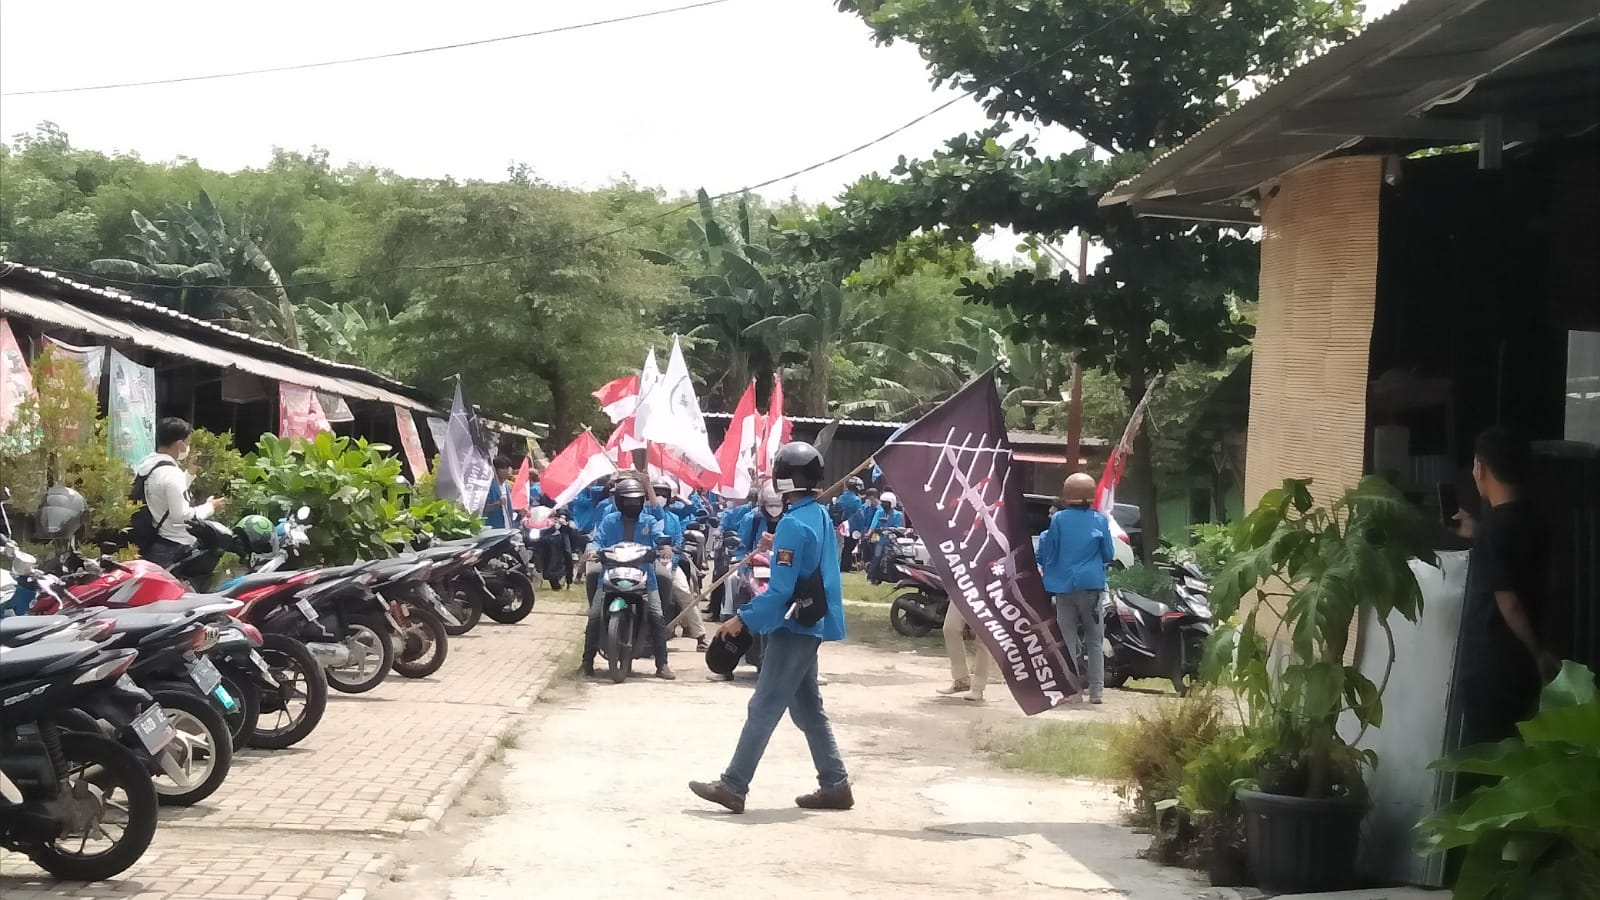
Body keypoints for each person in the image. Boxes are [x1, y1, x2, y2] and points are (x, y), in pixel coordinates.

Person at [690, 442, 850, 814]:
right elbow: (805, 564)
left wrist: (741, 618)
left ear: (783, 478)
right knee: (808, 709)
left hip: (792, 625)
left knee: (763, 706)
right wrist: (777, 544)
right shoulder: (818, 517)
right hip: (811, 622)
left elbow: (779, 591)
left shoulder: (794, 523)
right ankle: (835, 784)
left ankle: (733, 785)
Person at [1452, 427, 1558, 748]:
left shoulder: (1492, 533)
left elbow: (1508, 602)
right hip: (1521, 670)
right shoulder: (1535, 522)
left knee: (1488, 759)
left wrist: (1539, 652)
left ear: (1481, 469)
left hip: (1490, 667)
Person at [581, 477, 675, 680]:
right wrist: (592, 551)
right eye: (628, 501)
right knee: (595, 616)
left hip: (643, 576)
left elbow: (660, 535)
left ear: (641, 501)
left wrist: (664, 545)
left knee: (657, 616)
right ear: (620, 502)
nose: (632, 505)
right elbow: (597, 540)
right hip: (611, 574)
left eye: (636, 501)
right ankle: (586, 662)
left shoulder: (649, 521)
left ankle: (662, 664)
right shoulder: (609, 520)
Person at [1037, 473, 1115, 703]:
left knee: (1068, 639)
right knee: (1094, 640)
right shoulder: (1100, 520)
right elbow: (1108, 554)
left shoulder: (1059, 519)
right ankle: (1097, 692)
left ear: (1067, 493)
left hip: (1064, 586)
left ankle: (1072, 692)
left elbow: (1049, 551)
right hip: (1092, 587)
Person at [133, 417, 226, 567]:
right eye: (187, 442)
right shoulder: (171, 473)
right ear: (179, 444)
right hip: (176, 546)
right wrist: (210, 507)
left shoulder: (149, 466)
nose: (188, 447)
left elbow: (165, 493)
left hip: (156, 542)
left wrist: (189, 474)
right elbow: (182, 516)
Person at [653, 479, 707, 651]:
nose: (660, 497)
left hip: (670, 564)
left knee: (685, 592)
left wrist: (672, 559)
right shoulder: (644, 515)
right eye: (657, 493)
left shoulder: (674, 518)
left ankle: (700, 636)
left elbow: (677, 542)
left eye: (664, 494)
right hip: (648, 562)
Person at [864, 492, 904, 583]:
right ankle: (871, 577)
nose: (883, 505)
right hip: (880, 539)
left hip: (893, 541)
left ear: (892, 503)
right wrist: (868, 534)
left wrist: (892, 530)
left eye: (886, 503)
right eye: (882, 502)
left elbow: (899, 528)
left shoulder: (898, 515)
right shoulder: (879, 512)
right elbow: (873, 525)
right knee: (877, 556)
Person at [834, 476, 866, 571]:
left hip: (839, 526)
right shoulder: (856, 500)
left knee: (841, 547)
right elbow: (859, 515)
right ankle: (845, 566)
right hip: (851, 526)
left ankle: (842, 565)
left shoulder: (841, 497)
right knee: (848, 547)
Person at [483, 455, 517, 529]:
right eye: (503, 468)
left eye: (507, 468)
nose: (506, 471)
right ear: (495, 470)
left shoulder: (507, 486)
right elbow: (482, 508)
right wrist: (497, 504)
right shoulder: (489, 487)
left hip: (507, 528)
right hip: (494, 529)